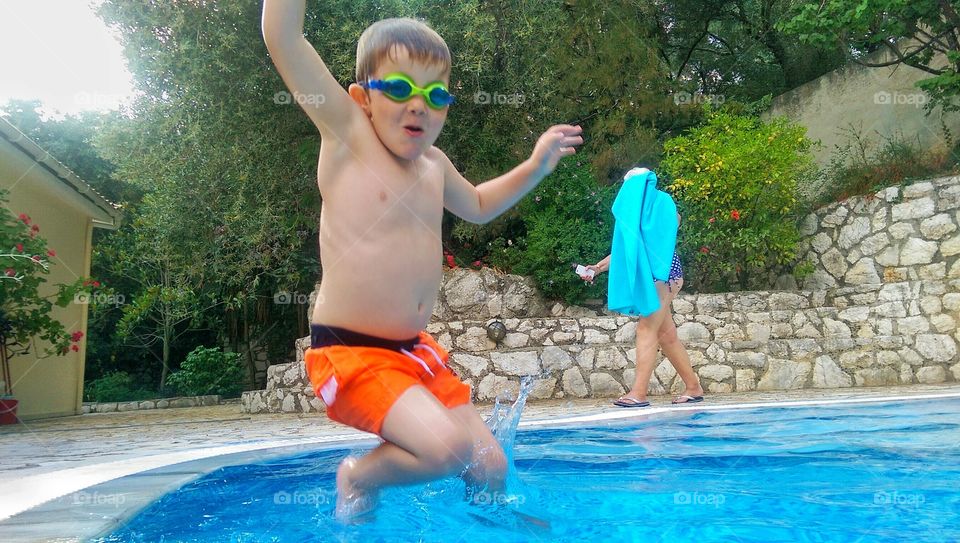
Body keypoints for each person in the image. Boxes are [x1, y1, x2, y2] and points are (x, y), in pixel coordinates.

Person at [262, 1, 583, 520]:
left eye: (435, 95)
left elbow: (478, 206)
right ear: (361, 97)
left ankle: (492, 530)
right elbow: (282, 35)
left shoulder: (434, 165)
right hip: (352, 351)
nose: (419, 106)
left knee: (490, 465)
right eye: (399, 89)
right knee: (445, 450)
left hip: (414, 352)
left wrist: (536, 166)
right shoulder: (348, 135)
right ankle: (357, 476)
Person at [579, 212, 704, 408]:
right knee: (667, 336)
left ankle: (638, 393)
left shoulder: (656, 205)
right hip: (658, 280)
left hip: (664, 279)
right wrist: (596, 268)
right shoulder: (635, 214)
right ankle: (693, 388)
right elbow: (625, 249)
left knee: (646, 329)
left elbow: (675, 219)